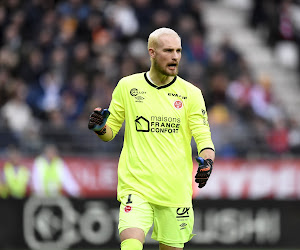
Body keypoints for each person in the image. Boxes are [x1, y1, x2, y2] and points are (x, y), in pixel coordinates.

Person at [88, 27, 215, 250]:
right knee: (131, 246)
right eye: (168, 50)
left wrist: (208, 162)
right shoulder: (128, 87)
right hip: (136, 187)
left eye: (178, 51)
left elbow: (204, 137)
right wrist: (100, 127)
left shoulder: (191, 93)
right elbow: (110, 133)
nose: (175, 56)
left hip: (175, 191)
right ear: (152, 53)